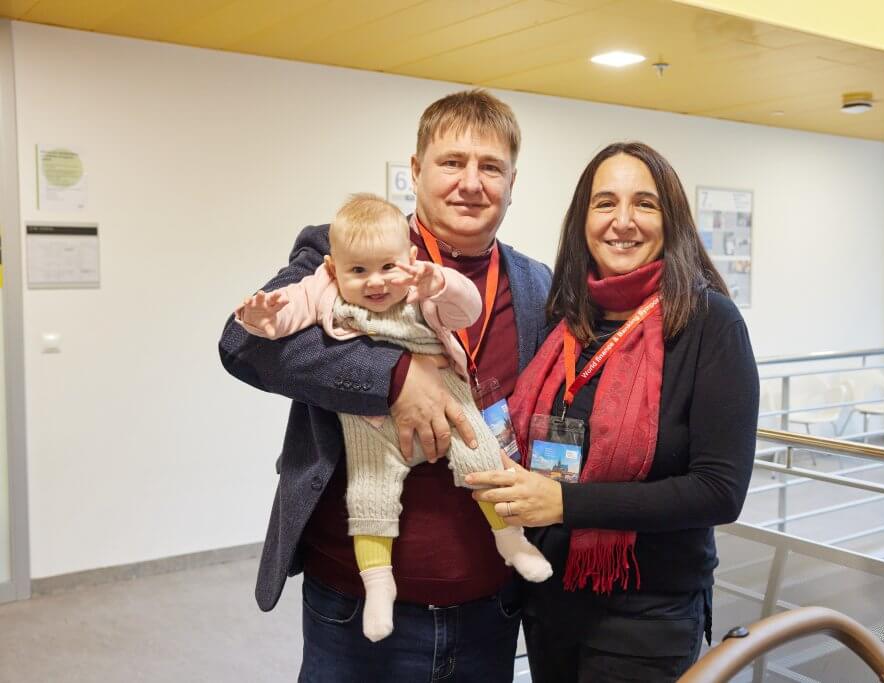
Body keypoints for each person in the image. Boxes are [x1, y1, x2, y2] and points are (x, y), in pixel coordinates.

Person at [218, 90, 552, 681]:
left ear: (512, 182)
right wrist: (395, 377)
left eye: (491, 167)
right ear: (416, 170)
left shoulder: (534, 284)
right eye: (452, 162)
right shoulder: (350, 247)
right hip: (353, 605)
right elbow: (242, 345)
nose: (470, 183)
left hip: (490, 604)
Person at [466, 141, 759, 681]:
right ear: (583, 219)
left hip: (647, 617)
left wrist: (565, 503)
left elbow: (720, 490)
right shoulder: (566, 317)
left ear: (671, 219)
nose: (623, 221)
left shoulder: (710, 323)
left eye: (644, 203)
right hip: (549, 601)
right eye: (605, 203)